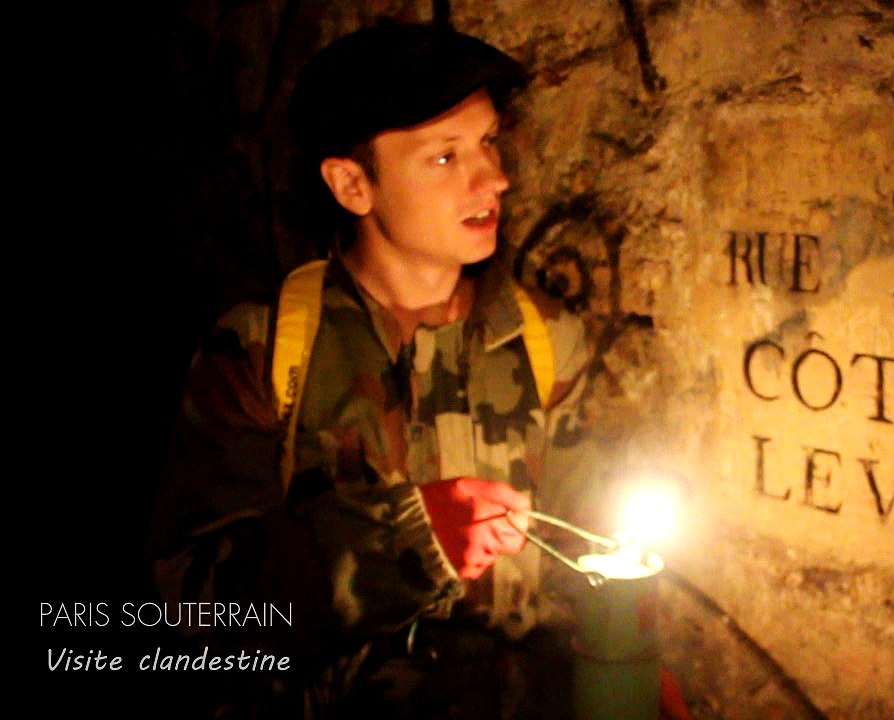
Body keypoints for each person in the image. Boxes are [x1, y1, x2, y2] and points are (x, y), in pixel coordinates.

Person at [149, 19, 595, 718]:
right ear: (353, 185)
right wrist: (408, 539)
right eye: (445, 157)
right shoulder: (266, 352)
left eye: (487, 142)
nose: (495, 178)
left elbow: (585, 560)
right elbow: (189, 607)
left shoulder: (545, 339)